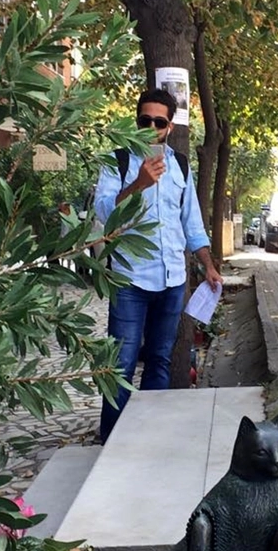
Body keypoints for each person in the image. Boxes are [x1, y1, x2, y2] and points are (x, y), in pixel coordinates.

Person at [95, 88, 222, 443]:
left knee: (160, 361)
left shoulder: (181, 165)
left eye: (159, 121)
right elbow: (103, 214)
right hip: (130, 279)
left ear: (169, 126)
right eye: (144, 120)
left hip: (172, 279)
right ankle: (112, 443)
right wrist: (138, 183)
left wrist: (208, 266)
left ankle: (149, 438)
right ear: (136, 120)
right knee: (119, 366)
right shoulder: (116, 160)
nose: (151, 127)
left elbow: (191, 221)